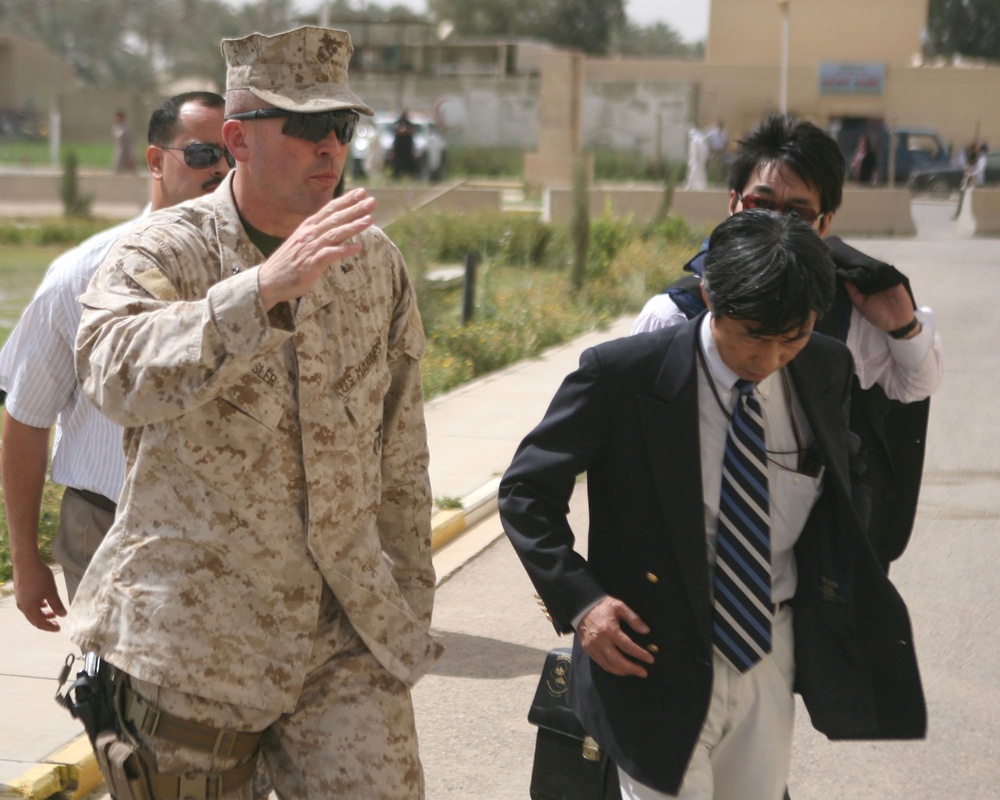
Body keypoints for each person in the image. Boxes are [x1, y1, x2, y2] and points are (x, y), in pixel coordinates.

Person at [70, 26, 441, 799]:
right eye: (305, 126)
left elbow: (400, 448)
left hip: (343, 640)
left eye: (342, 127)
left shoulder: (372, 261)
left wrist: (406, 603)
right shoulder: (166, 250)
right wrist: (260, 292)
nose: (329, 148)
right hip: (197, 645)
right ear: (236, 138)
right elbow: (111, 371)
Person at [499, 210, 926, 800]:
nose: (771, 357)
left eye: (792, 335)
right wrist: (584, 603)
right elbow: (526, 492)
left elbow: (846, 476)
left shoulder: (824, 367)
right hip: (651, 660)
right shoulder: (623, 377)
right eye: (752, 333)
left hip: (767, 656)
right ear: (709, 297)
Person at [633, 114, 943, 570]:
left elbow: (914, 386)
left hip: (812, 557)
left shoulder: (847, 312)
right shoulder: (673, 315)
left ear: (823, 223)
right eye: (761, 203)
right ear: (734, 203)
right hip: (690, 552)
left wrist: (903, 326)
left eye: (796, 212)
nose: (774, 224)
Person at [0, 91, 232, 632]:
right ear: (155, 161)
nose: (221, 169)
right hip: (106, 527)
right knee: (119, 700)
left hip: (222, 529)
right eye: (201, 155)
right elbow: (26, 419)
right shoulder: (80, 274)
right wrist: (28, 561)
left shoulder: (260, 272)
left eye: (233, 155)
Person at [954, 141, 988, 218]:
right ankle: (959, 213)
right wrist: (967, 170)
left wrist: (972, 174)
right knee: (963, 196)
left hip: (977, 182)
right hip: (967, 180)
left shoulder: (982, 157)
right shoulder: (969, 155)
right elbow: (963, 164)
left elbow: (980, 168)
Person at [392, 108, 417, 179]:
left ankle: (411, 176)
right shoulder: (398, 122)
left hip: (407, 146)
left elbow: (411, 131)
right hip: (399, 147)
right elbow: (398, 131)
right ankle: (396, 177)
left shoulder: (409, 123)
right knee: (397, 164)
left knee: (409, 164)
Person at [111, 110, 137, 174]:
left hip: (126, 151)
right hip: (119, 151)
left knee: (131, 168)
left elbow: (129, 142)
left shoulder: (126, 128)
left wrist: (130, 154)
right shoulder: (116, 127)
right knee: (116, 168)